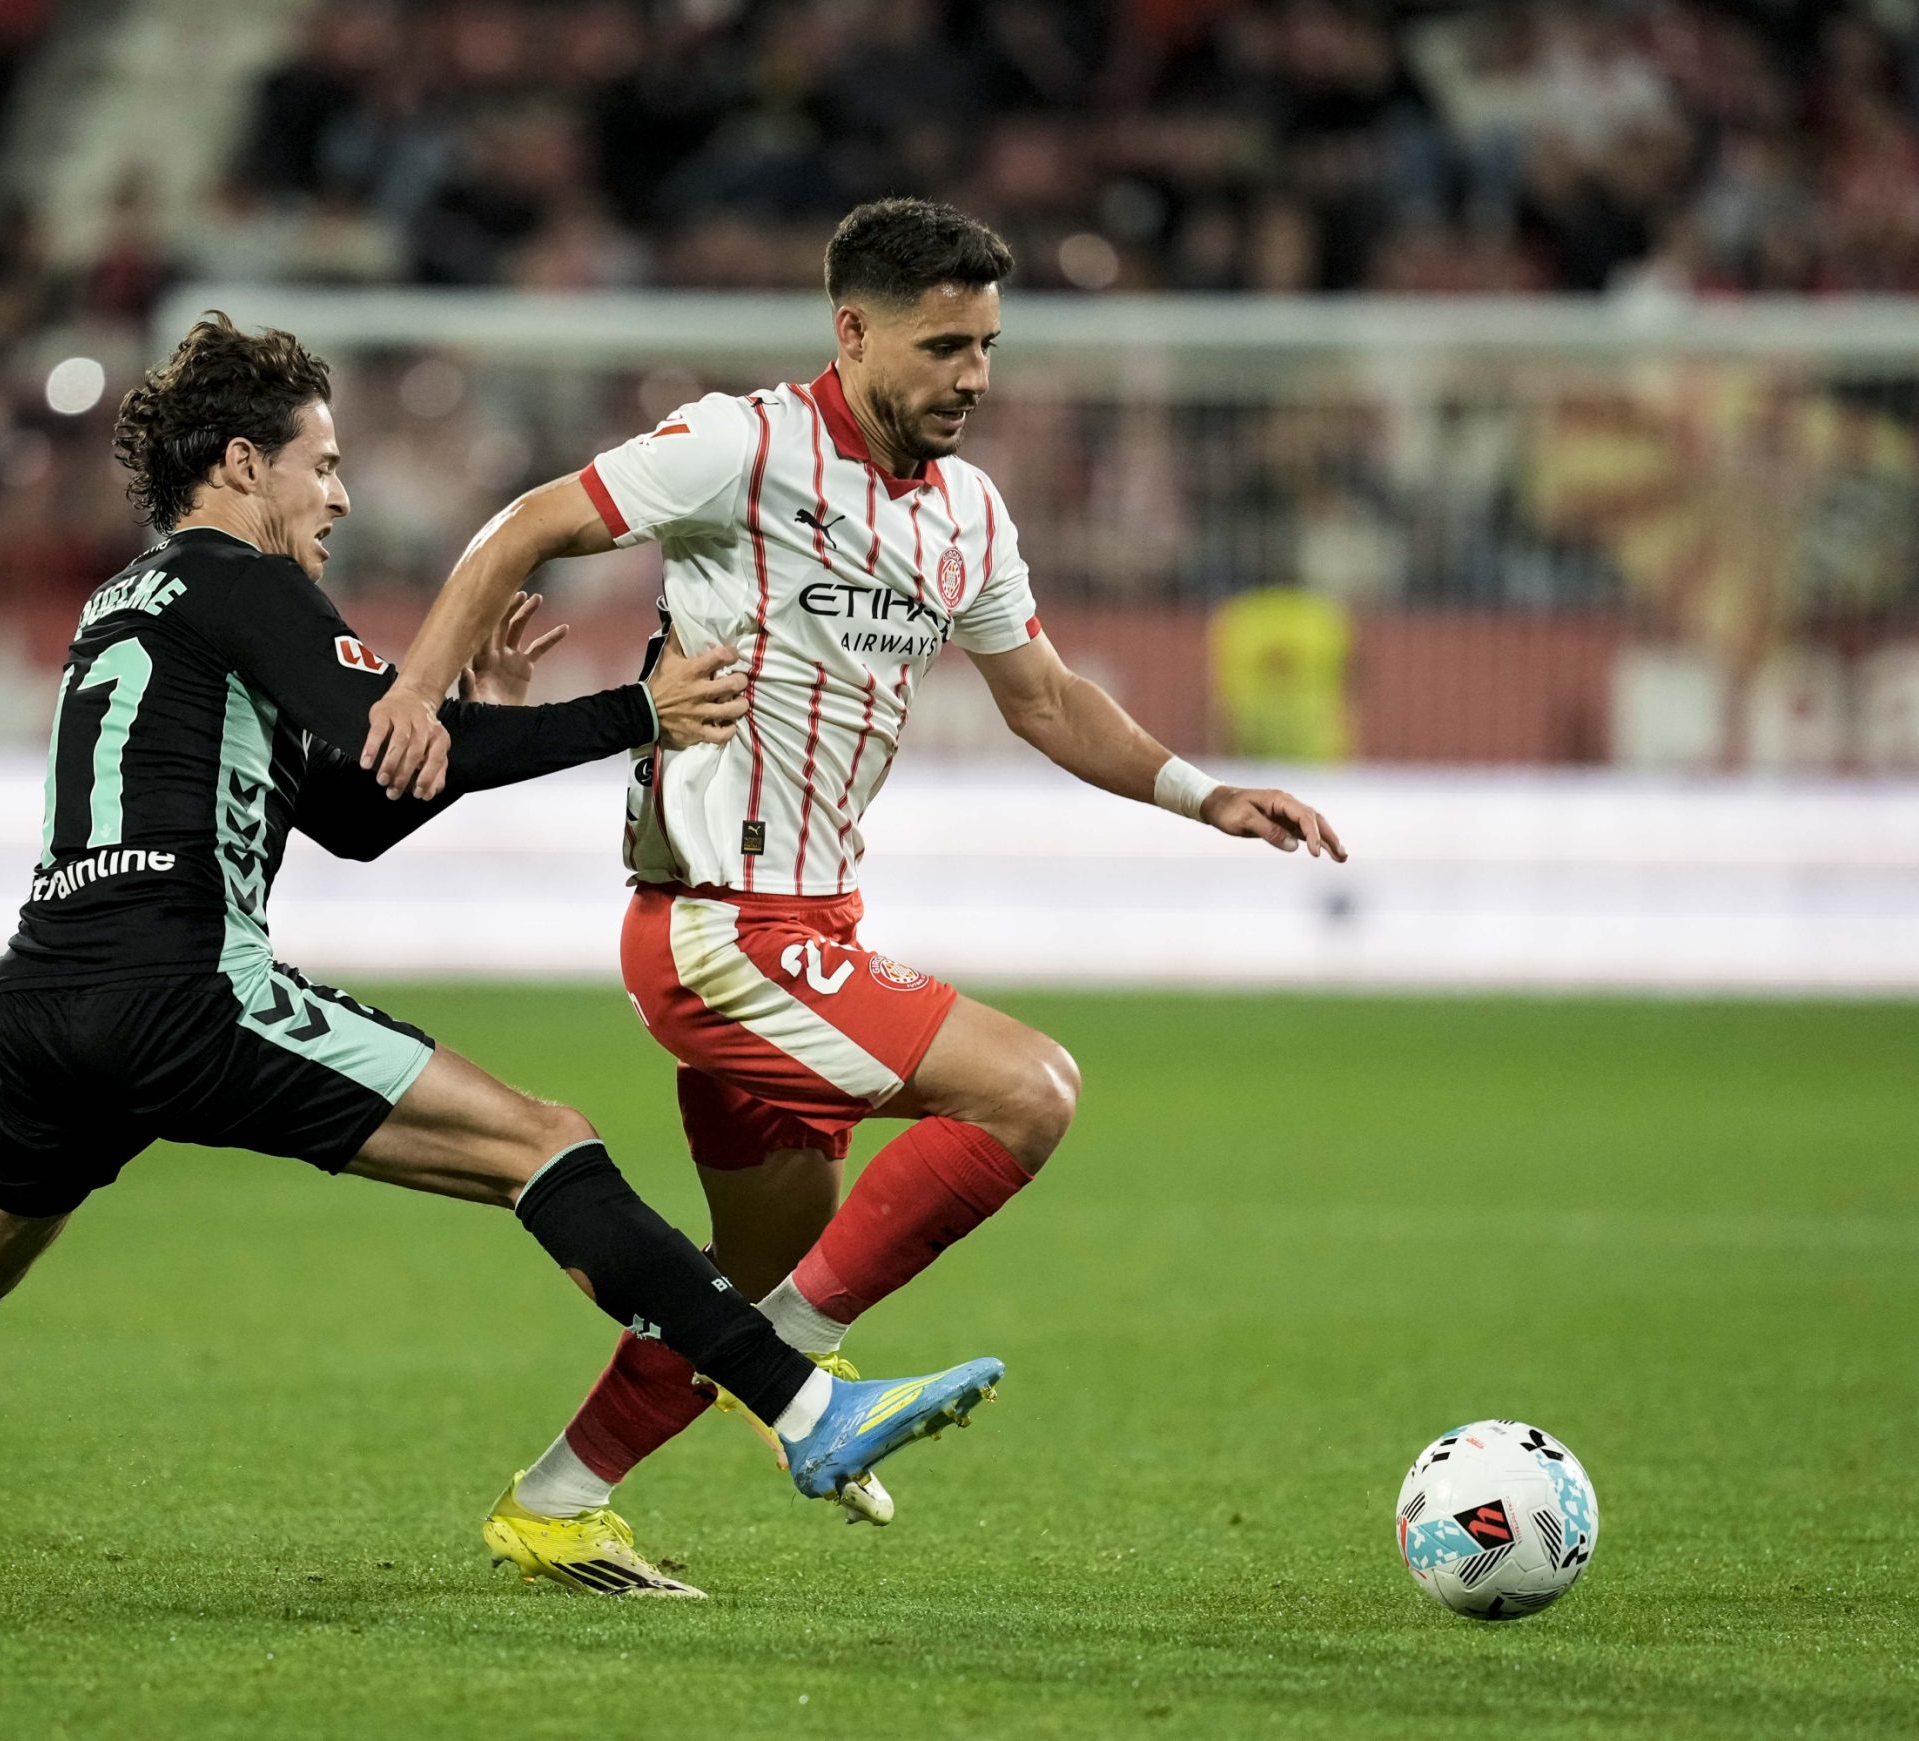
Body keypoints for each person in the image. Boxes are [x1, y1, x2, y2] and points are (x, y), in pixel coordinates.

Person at [0, 312, 1003, 1592]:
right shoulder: (241, 579)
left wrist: (478, 717)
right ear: (242, 465)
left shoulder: (128, 604)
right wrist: (635, 713)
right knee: (542, 1139)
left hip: (47, 1001)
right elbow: (386, 727)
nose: (341, 497)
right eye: (325, 463)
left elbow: (358, 813)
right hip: (185, 989)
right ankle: (805, 1404)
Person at [361, 200, 1348, 1594]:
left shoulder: (966, 515)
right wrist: (418, 687)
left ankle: (561, 1499)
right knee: (1030, 1090)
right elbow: (523, 527)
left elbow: (1047, 700)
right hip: (717, 927)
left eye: (988, 346)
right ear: (853, 331)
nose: (973, 376)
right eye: (944, 344)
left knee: (746, 1277)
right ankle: (807, 1393)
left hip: (813, 930)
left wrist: (1206, 793)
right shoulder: (742, 444)